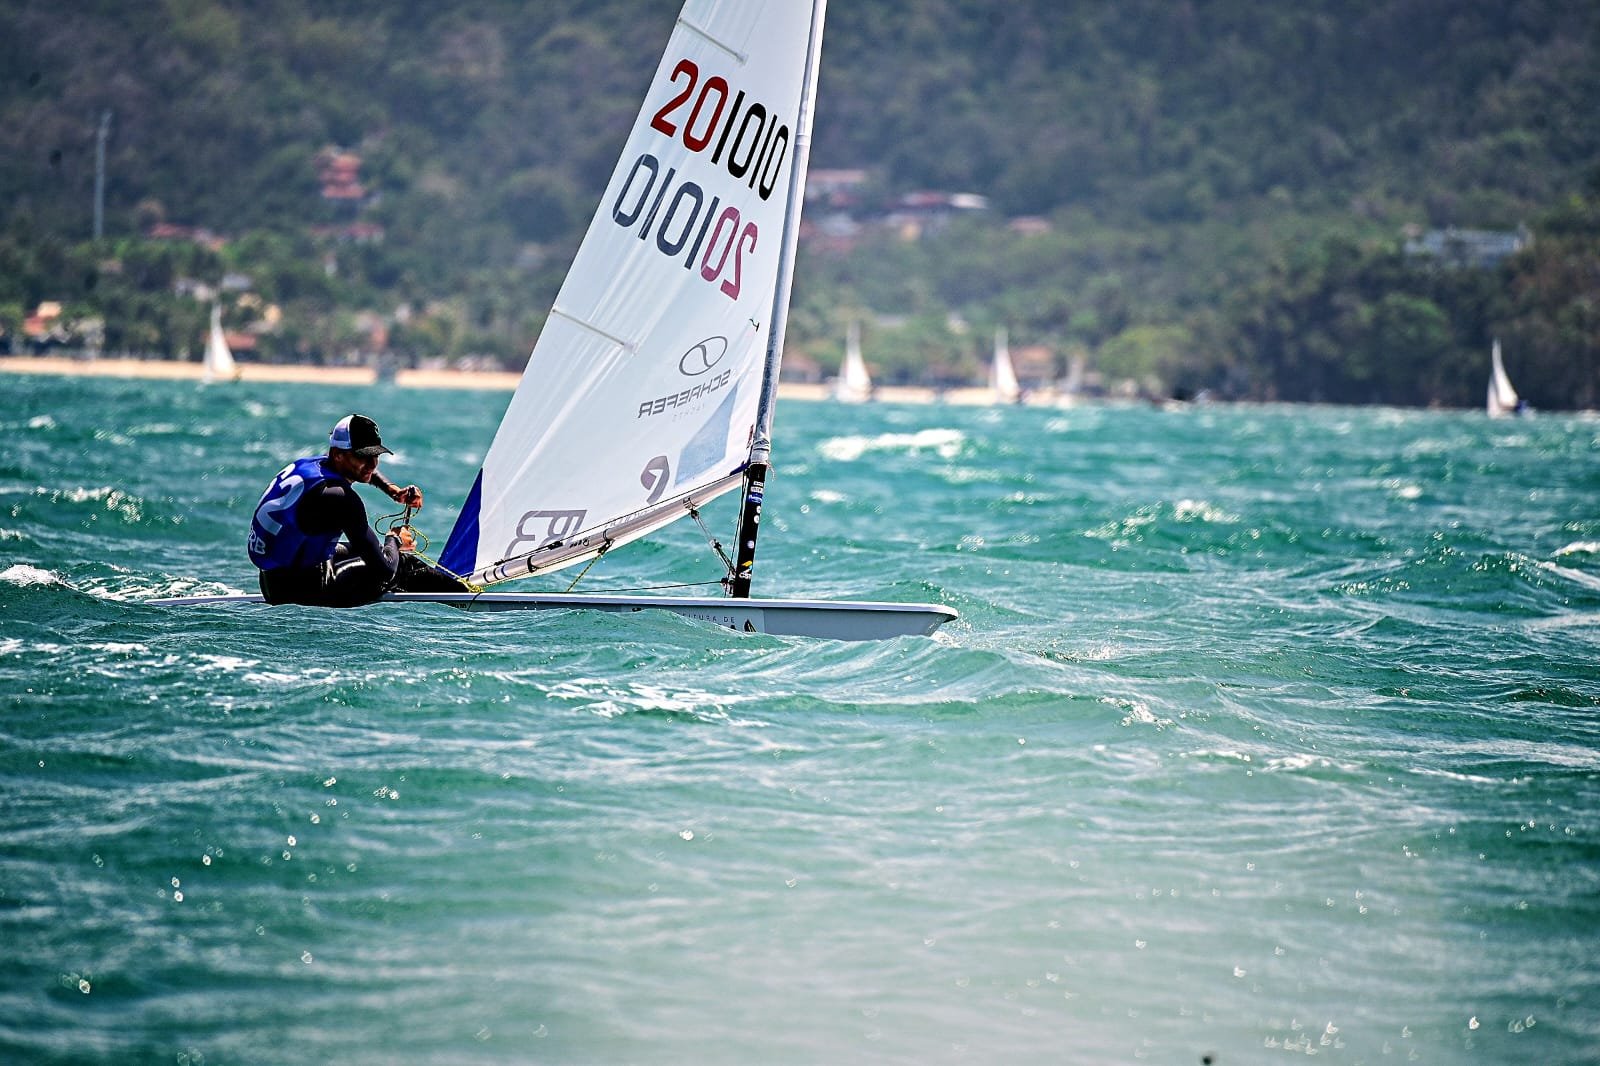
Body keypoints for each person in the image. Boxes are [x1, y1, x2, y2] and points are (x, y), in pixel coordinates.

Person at [248, 414, 470, 607]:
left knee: (360, 549)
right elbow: (385, 570)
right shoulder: (340, 498)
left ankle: (450, 589)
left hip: (274, 582)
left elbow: (364, 472)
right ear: (338, 454)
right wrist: (394, 540)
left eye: (376, 456)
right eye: (363, 456)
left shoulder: (309, 465)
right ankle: (463, 598)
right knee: (399, 565)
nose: (372, 464)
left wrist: (392, 490)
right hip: (308, 593)